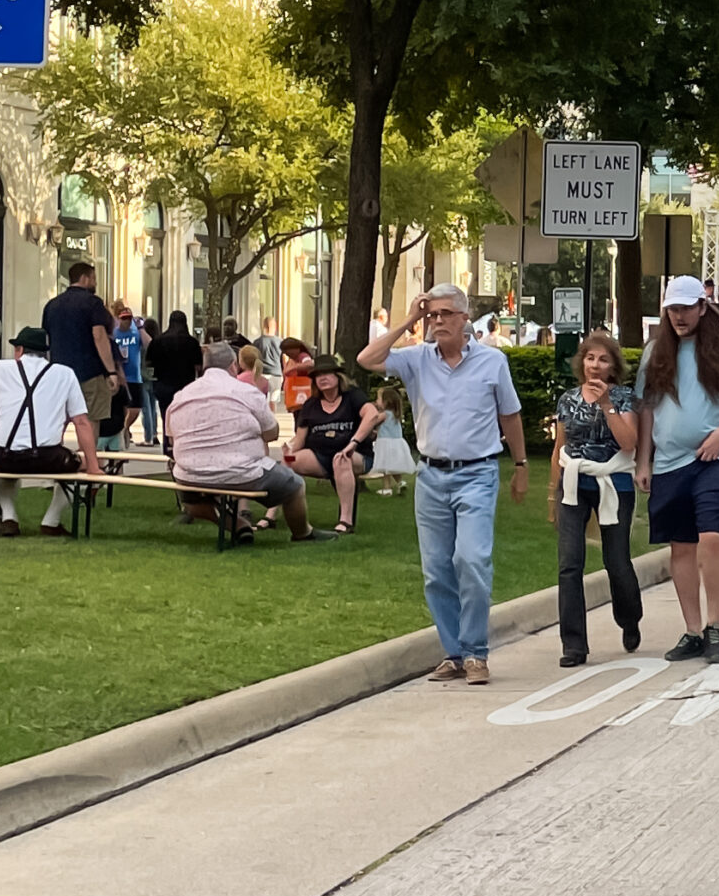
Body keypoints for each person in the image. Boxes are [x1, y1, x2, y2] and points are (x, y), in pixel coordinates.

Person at [360, 284, 529, 685]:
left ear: (465, 318)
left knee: (471, 560)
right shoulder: (416, 359)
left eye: (445, 314)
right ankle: (453, 653)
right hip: (432, 475)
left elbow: (510, 415)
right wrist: (410, 319)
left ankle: (475, 652)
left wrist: (521, 465)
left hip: (477, 473)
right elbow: (367, 358)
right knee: (436, 570)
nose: (438, 322)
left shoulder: (492, 362)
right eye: (432, 315)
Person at [637, 275, 719, 665]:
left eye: (686, 308)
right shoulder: (655, 353)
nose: (679, 316)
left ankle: (714, 624)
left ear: (702, 308)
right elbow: (646, 408)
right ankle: (692, 629)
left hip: (716, 459)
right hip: (670, 463)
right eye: (672, 309)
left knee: (712, 536)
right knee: (681, 545)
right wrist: (644, 460)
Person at [547, 329, 644, 666]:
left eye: (603, 359)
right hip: (573, 484)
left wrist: (606, 405)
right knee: (569, 564)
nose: (595, 365)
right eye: (590, 358)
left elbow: (629, 442)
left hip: (613, 482)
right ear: (582, 362)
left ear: (612, 365)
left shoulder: (625, 398)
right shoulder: (567, 400)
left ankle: (629, 618)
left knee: (616, 562)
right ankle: (574, 645)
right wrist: (551, 495)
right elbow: (560, 447)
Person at [166, 342, 325, 544]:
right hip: (242, 470)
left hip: (190, 474)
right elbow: (272, 433)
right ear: (234, 365)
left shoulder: (181, 396)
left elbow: (172, 438)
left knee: (191, 502)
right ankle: (302, 533)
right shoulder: (246, 392)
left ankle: (235, 524)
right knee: (295, 486)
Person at [0, 325, 98, 537]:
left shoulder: (0, 369)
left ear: (20, 349)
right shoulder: (65, 373)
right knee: (83, 465)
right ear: (44, 352)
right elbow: (81, 422)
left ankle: (9, 516)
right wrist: (95, 467)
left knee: (5, 469)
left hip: (5, 457)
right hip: (49, 457)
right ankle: (51, 520)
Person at [287, 354, 381, 532]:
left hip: (356, 455)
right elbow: (299, 440)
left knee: (341, 459)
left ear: (338, 376)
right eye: (318, 375)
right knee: (288, 462)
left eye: (327, 374)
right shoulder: (310, 404)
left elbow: (372, 415)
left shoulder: (352, 396)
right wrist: (287, 451)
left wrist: (353, 443)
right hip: (320, 456)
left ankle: (346, 521)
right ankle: (271, 516)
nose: (322, 378)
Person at [42, 262, 126, 460]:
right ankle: (88, 463)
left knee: (58, 420)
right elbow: (99, 336)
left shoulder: (51, 305)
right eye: (94, 278)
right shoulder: (93, 303)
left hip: (59, 372)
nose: (95, 283)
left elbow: (47, 339)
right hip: (90, 371)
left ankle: (51, 461)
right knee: (91, 419)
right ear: (85, 278)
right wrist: (111, 371)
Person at [111, 300, 155, 445]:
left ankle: (125, 428)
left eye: (129, 319)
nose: (127, 322)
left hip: (134, 376)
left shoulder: (136, 333)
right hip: (120, 375)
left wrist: (141, 328)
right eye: (124, 319)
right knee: (122, 407)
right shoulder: (115, 333)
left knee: (136, 409)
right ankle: (121, 433)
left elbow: (150, 344)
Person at [148, 309, 203, 411]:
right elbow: (198, 366)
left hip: (163, 386)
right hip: (185, 387)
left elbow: (149, 363)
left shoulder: (157, 341)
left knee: (166, 416)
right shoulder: (192, 342)